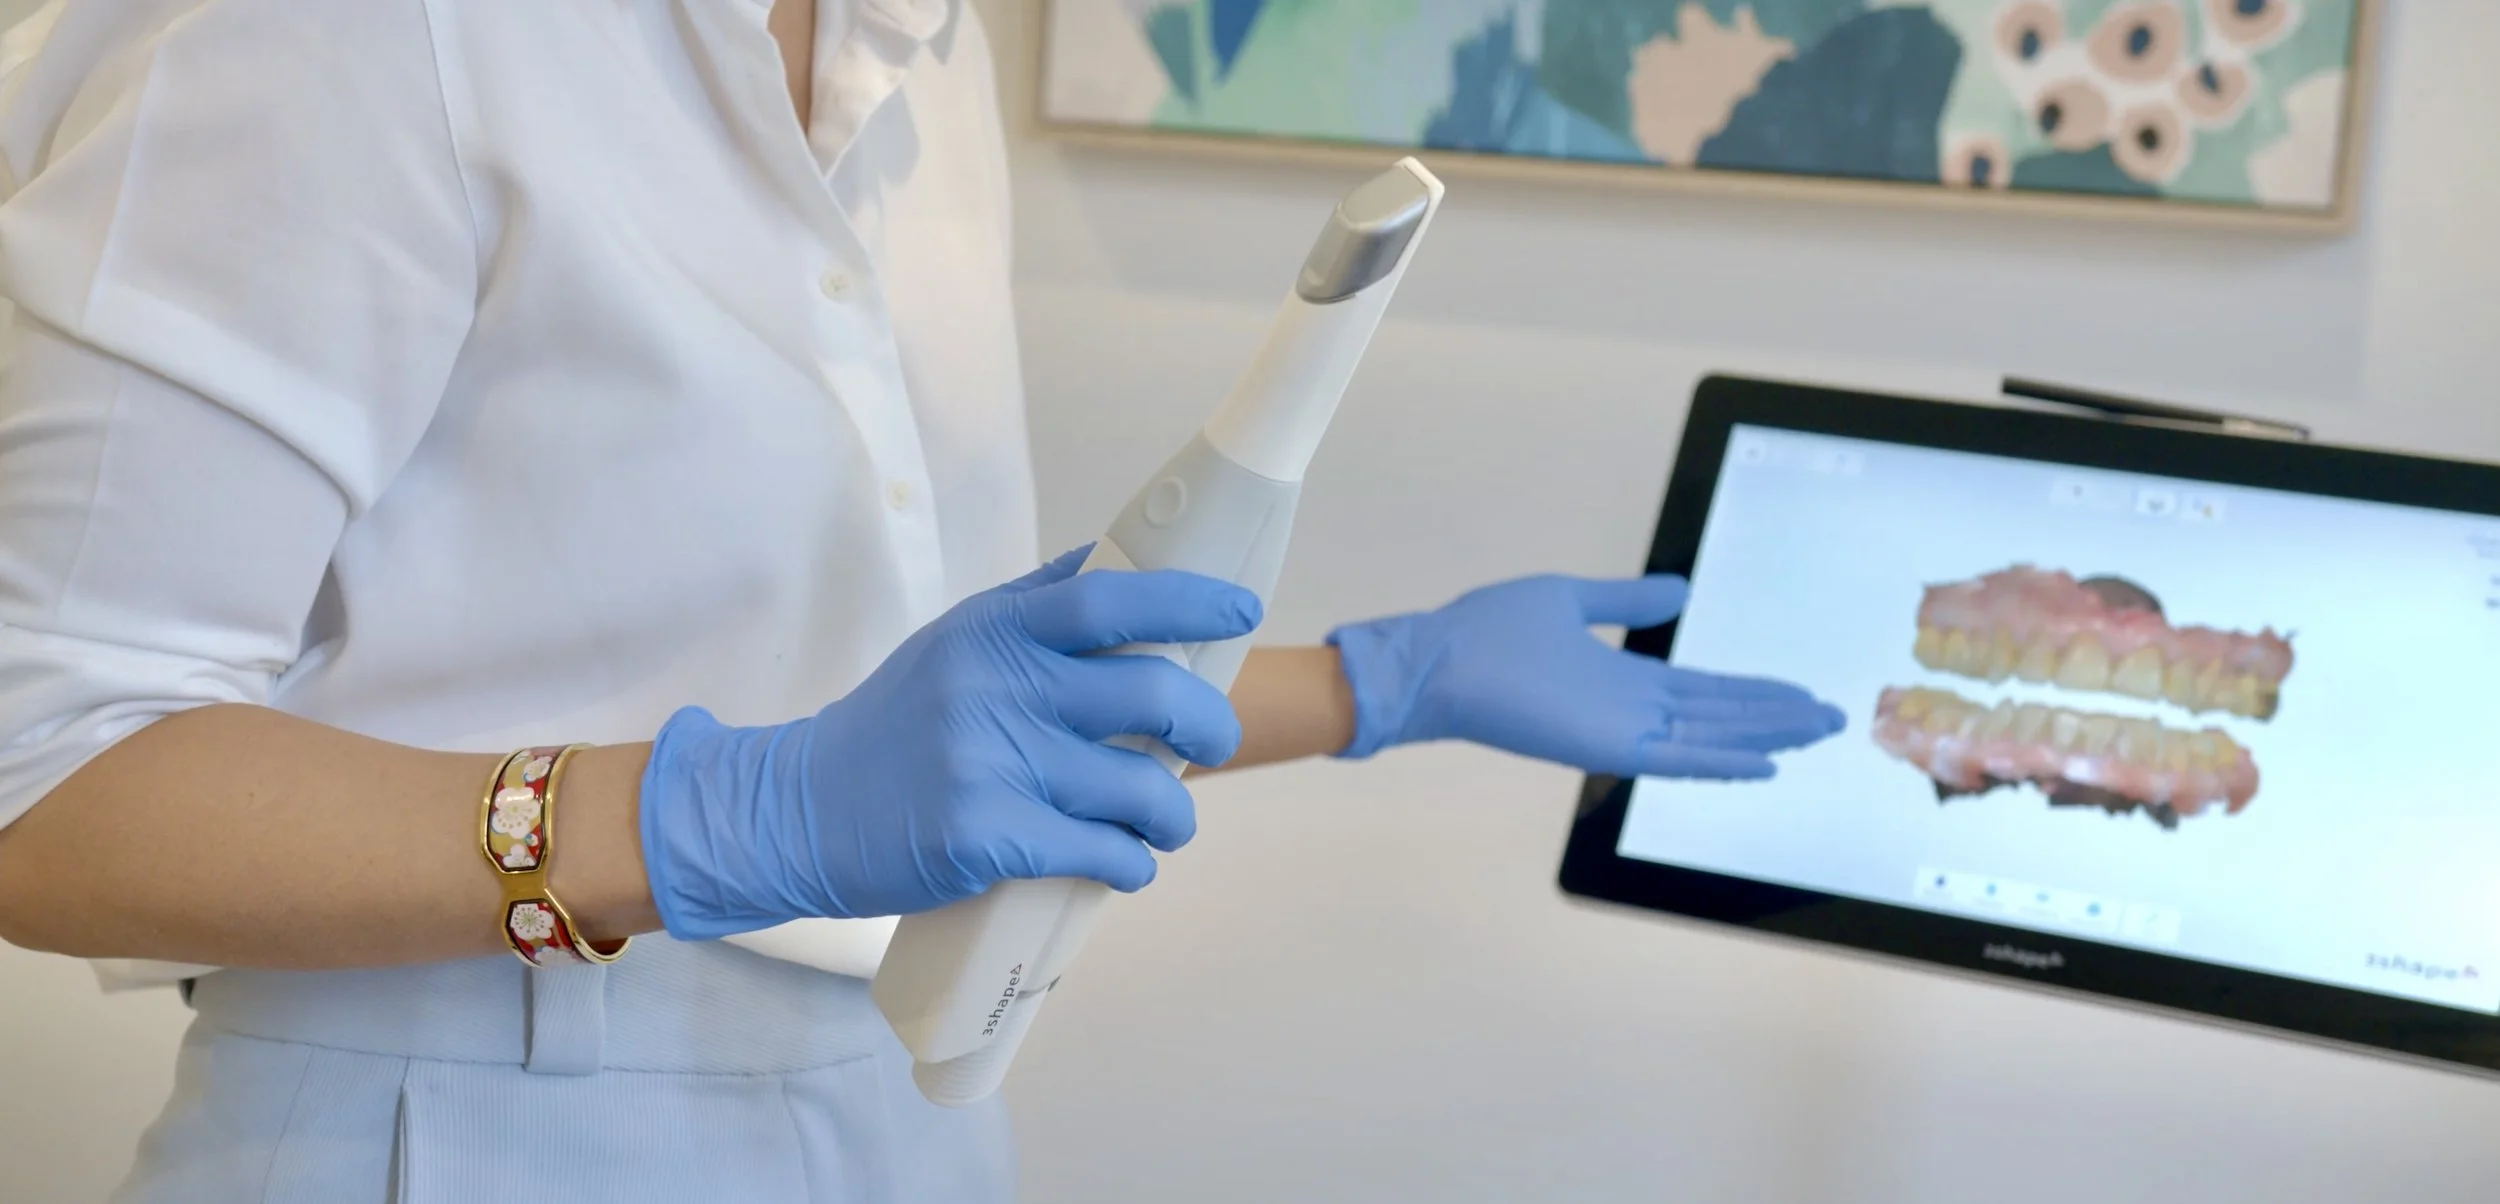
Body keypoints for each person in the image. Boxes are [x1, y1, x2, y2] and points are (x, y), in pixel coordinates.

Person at [0, 1, 1844, 1199]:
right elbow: (45, 774)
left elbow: (944, 719)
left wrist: (1390, 681)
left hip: (890, 1113)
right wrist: (725, 813)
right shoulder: (328, 35)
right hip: (457, 1123)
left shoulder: (921, 51)